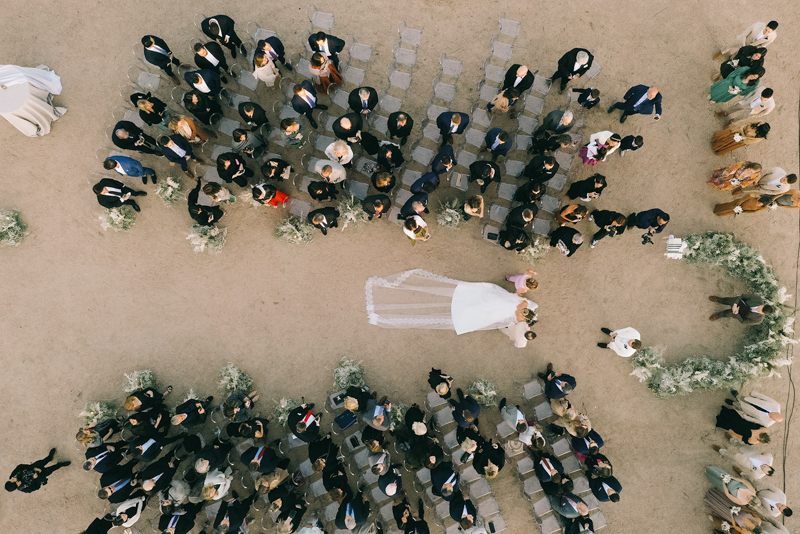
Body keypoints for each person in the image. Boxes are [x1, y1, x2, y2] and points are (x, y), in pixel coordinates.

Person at [5, 448, 70, 493]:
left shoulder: (13, 476)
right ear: (16, 484)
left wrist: (33, 468)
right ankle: (60, 465)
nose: (12, 477)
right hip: (41, 475)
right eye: (12, 480)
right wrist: (37, 478)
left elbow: (20, 466)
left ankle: (49, 457)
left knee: (44, 461)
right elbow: (37, 487)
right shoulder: (25, 488)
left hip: (35, 467)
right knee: (51, 469)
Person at [715, 21, 779, 61]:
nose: (766, 33)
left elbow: (763, 45)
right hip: (743, 39)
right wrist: (742, 45)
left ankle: (732, 58)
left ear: (773, 31)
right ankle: (721, 52)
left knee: (740, 54)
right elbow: (744, 34)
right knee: (731, 44)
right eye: (766, 30)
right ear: (766, 24)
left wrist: (753, 49)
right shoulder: (756, 25)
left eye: (769, 32)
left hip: (751, 47)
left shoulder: (773, 37)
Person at [709, 294, 773, 324]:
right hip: (738, 303)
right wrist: (735, 305)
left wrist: (736, 313)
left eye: (760, 311)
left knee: (727, 314)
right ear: (763, 305)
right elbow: (742, 296)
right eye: (760, 308)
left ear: (763, 314)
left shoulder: (758, 319)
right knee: (727, 301)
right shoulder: (757, 298)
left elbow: (744, 322)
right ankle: (718, 299)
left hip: (738, 314)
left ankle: (718, 315)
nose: (758, 310)